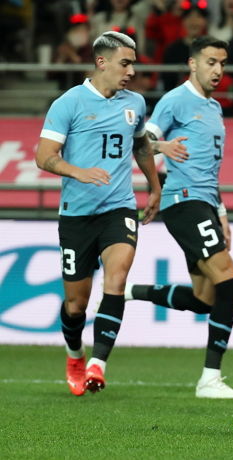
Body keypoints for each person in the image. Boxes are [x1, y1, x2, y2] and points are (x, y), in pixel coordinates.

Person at [35, 31, 161, 396]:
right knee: (76, 305)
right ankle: (75, 354)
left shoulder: (135, 103)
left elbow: (141, 144)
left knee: (117, 279)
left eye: (134, 63)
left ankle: (98, 364)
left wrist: (154, 187)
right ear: (101, 62)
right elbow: (43, 157)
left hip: (118, 206)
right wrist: (79, 172)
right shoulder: (68, 103)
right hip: (76, 214)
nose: (132, 71)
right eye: (125, 63)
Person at [124, 36, 233, 399]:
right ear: (193, 63)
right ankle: (210, 378)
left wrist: (221, 214)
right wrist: (162, 147)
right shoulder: (176, 100)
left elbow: (210, 169)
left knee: (205, 298)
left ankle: (128, 291)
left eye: (222, 63)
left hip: (205, 203)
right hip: (183, 201)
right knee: (231, 283)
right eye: (211, 62)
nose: (218, 70)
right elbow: (138, 141)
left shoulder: (214, 108)